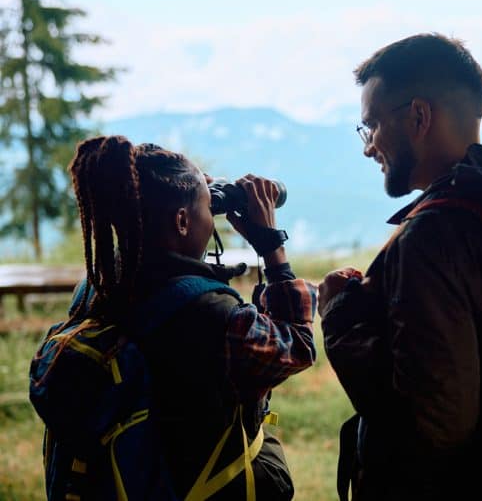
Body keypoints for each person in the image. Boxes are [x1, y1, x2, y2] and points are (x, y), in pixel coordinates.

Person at [32, 135, 317, 500]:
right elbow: (298, 345)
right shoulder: (211, 315)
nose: (211, 217)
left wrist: (192, 190)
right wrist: (272, 247)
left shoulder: (97, 285)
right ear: (182, 221)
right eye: (206, 206)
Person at [318, 33, 482, 500]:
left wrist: (339, 316)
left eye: (370, 125)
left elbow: (435, 427)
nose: (368, 146)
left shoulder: (433, 236)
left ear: (418, 116)